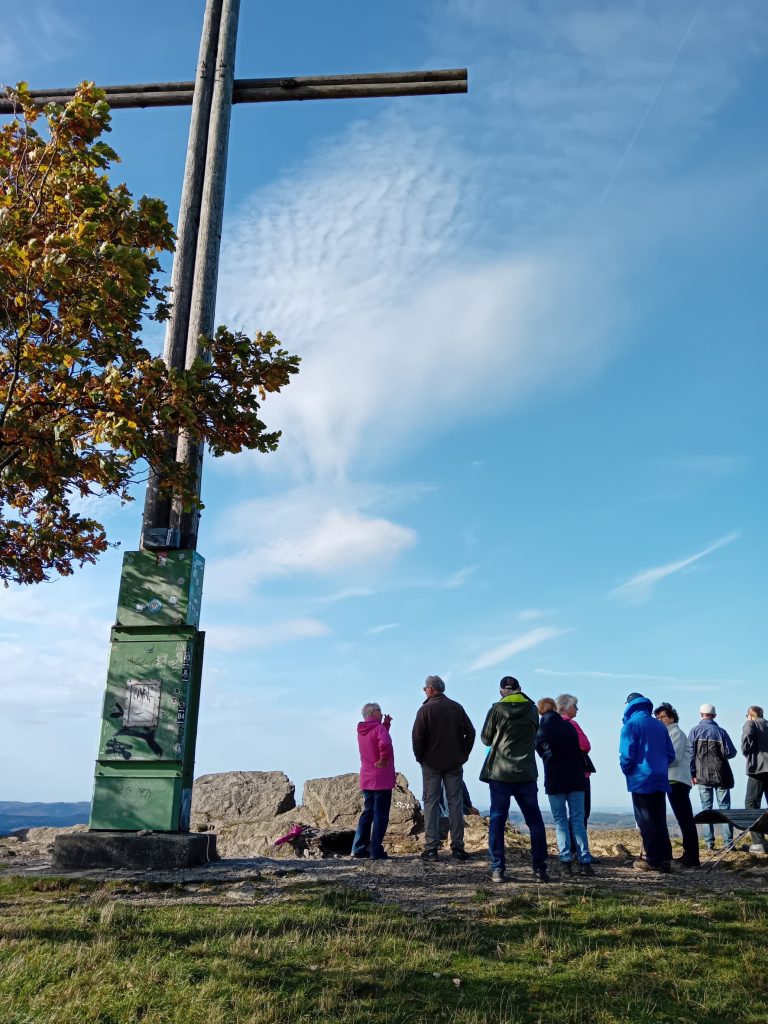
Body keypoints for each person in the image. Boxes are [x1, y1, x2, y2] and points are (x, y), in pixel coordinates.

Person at [479, 676, 549, 884]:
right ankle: (539, 869)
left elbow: (486, 738)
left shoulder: (496, 710)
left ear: (501, 691)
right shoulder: (532, 710)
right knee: (534, 821)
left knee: (497, 819)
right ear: (520, 689)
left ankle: (497, 868)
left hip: (500, 772)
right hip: (526, 772)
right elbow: (536, 733)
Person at [412, 675, 475, 862]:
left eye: (425, 688)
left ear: (431, 689)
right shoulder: (456, 707)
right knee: (455, 803)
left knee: (431, 803)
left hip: (431, 764)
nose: (424, 691)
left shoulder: (425, 710)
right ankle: (457, 847)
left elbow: (417, 738)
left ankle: (431, 849)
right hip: (454, 763)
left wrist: (420, 757)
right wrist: (464, 753)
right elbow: (470, 732)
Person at [536, 697, 594, 876]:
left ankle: (565, 861)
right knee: (578, 821)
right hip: (576, 778)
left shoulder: (541, 729)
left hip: (555, 780)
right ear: (554, 708)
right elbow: (582, 747)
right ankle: (585, 862)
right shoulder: (569, 726)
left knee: (560, 822)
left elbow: (540, 751)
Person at [619, 693, 675, 873]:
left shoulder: (631, 725)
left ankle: (653, 860)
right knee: (659, 819)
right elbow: (671, 754)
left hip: (641, 778)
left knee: (645, 820)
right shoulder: (659, 725)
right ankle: (666, 858)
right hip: (660, 777)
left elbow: (627, 755)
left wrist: (628, 770)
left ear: (629, 705)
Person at [654, 702, 700, 868]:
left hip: (677, 780)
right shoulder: (667, 733)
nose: (660, 720)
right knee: (683, 819)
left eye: (663, 717)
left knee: (685, 819)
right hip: (670, 779)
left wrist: (655, 762)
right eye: (657, 717)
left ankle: (692, 857)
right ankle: (690, 855)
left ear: (672, 717)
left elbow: (674, 758)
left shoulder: (676, 733)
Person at [688, 703, 737, 850]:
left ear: (700, 714)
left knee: (706, 809)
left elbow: (690, 754)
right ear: (714, 715)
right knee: (725, 809)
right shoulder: (721, 732)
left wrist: (692, 773)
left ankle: (709, 843)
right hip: (721, 775)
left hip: (701, 775)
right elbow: (732, 753)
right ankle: (728, 843)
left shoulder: (694, 731)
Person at [351, 702, 396, 860]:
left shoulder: (363, 730)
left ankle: (358, 848)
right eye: (379, 710)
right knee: (381, 814)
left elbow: (375, 738)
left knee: (368, 812)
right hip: (381, 778)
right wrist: (383, 758)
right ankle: (376, 849)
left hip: (367, 778)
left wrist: (386, 725)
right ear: (373, 713)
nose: (381, 712)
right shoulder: (379, 729)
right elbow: (384, 742)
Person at [556, 693, 594, 829]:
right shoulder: (571, 724)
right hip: (579, 774)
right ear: (565, 707)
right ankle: (578, 846)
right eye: (574, 706)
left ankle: (568, 846)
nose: (577, 709)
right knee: (581, 811)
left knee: (561, 814)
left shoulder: (551, 724)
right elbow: (585, 745)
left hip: (559, 773)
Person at [741, 705, 768, 854]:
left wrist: (748, 754)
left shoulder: (751, 723)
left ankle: (758, 843)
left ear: (750, 715)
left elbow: (746, 741)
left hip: (758, 768)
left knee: (751, 803)